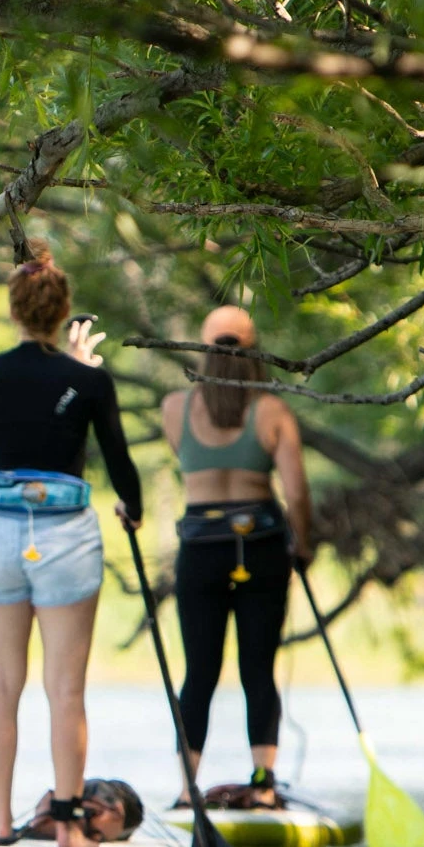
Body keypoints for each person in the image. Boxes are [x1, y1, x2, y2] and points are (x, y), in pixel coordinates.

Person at [0, 242, 143, 847]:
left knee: (0, 688)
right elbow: (117, 460)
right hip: (65, 540)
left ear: (14, 311)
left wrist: (68, 372)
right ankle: (69, 827)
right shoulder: (89, 382)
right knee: (66, 688)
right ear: (65, 311)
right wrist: (133, 510)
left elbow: (33, 401)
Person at [160, 305, 313, 807]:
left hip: (200, 551)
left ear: (202, 352)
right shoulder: (272, 411)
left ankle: (187, 789)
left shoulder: (175, 408)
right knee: (257, 670)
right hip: (262, 548)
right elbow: (297, 493)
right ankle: (264, 786)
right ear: (255, 353)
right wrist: (305, 545)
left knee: (198, 673)